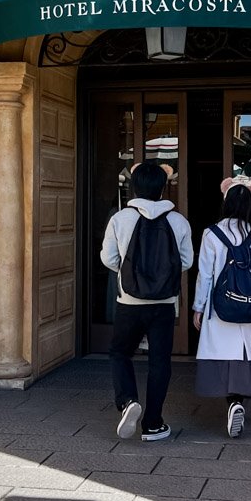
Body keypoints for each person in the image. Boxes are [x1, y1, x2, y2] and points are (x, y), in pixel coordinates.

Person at [100, 162, 194, 441]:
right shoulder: (178, 221)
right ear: (163, 187)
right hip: (165, 303)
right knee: (160, 361)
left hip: (129, 301)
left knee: (120, 353)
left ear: (135, 186)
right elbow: (186, 261)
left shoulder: (120, 218)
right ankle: (153, 424)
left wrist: (129, 272)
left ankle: (129, 401)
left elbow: (108, 258)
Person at [192, 176, 251, 438]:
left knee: (223, 352)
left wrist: (199, 306)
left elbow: (204, 275)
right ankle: (238, 401)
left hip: (221, 307)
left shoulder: (211, 233)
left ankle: (231, 402)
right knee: (244, 354)